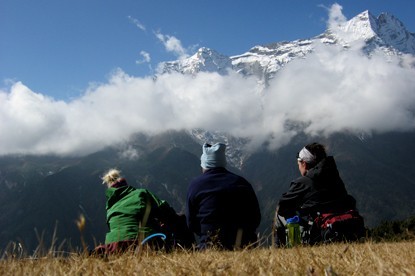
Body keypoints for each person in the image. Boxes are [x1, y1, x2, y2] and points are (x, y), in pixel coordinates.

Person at [274, 143, 364, 246]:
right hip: (344, 225)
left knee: (279, 214)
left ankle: (283, 250)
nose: (298, 166)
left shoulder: (304, 182)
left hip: (317, 232)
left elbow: (283, 206)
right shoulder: (335, 177)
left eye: (299, 163)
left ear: (304, 164)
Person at [94, 168, 194, 254]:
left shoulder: (110, 207)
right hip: (142, 241)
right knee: (180, 220)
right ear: (125, 184)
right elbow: (165, 210)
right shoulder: (141, 193)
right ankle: (191, 251)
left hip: (113, 245)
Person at [186, 143, 261, 250]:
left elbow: (191, 223)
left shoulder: (195, 186)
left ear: (204, 165)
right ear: (223, 163)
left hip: (209, 246)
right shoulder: (242, 183)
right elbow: (255, 218)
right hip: (244, 245)